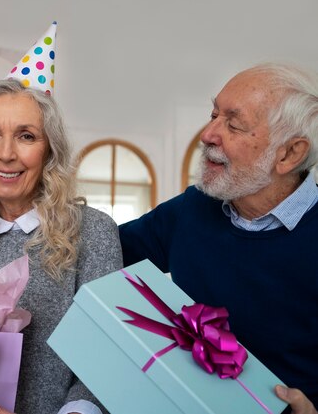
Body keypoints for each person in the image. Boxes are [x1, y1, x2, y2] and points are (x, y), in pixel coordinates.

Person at [119, 63, 318, 414]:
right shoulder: (192, 209)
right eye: (213, 115)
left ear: (289, 154)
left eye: (233, 124)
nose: (208, 134)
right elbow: (100, 250)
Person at [0, 78, 123, 414]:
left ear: (49, 150)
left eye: (26, 136)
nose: (6, 154)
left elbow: (108, 357)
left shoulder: (93, 232)